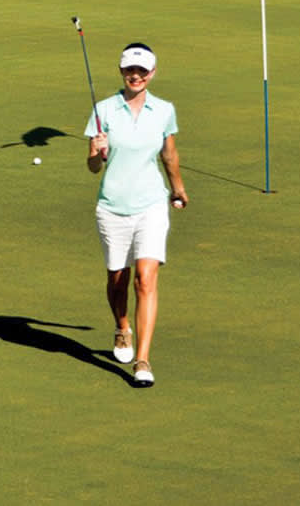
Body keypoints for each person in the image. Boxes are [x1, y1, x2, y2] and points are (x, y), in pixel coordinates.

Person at [87, 41, 188, 387]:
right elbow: (91, 167)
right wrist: (97, 154)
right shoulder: (103, 111)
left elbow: (169, 154)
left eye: (142, 71)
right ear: (121, 71)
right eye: (131, 70)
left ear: (152, 74)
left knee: (145, 278)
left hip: (151, 204)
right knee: (118, 277)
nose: (136, 76)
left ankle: (143, 361)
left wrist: (177, 188)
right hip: (112, 206)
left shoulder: (163, 111)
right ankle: (122, 327)